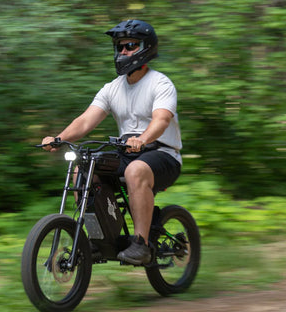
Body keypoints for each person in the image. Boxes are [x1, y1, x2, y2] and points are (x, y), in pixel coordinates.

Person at [41, 19, 182, 265]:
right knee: (84, 169)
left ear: (145, 48)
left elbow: (161, 120)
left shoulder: (161, 83)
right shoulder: (112, 88)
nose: (124, 51)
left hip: (163, 154)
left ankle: (140, 245)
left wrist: (143, 139)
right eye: (120, 47)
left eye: (130, 45)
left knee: (135, 170)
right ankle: (98, 240)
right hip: (127, 153)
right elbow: (85, 121)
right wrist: (58, 138)